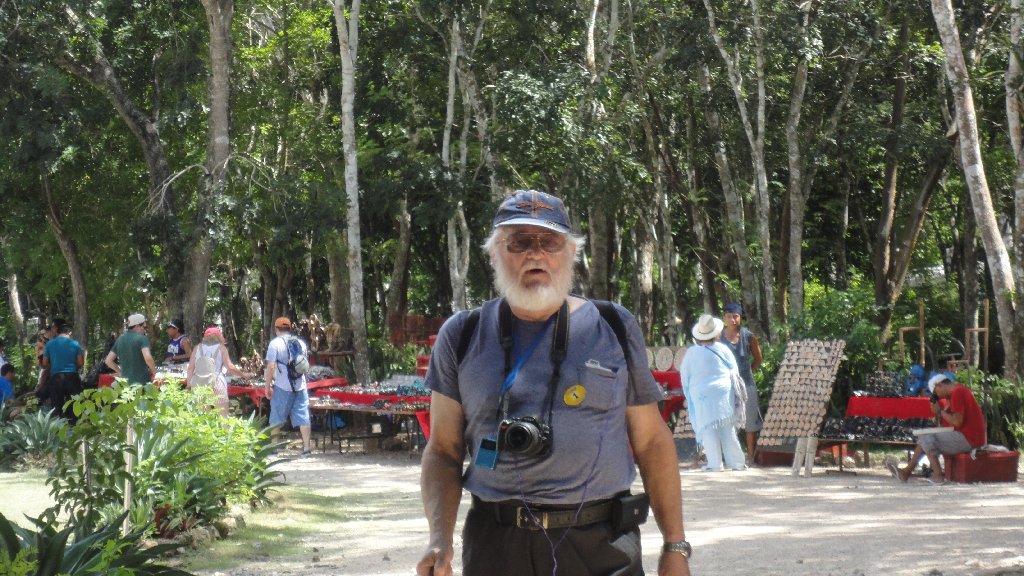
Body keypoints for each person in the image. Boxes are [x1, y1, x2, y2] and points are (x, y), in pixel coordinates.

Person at [417, 190, 690, 576]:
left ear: (571, 253)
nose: (536, 253)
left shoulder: (612, 325)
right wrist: (439, 539)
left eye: (550, 242)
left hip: (603, 545)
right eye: (520, 242)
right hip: (497, 545)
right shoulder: (462, 334)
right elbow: (443, 450)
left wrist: (675, 545)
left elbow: (650, 440)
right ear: (494, 253)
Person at [679, 313, 747, 472]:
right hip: (723, 391)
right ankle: (736, 462)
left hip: (701, 394)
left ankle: (715, 464)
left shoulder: (692, 353)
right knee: (727, 427)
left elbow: (685, 376)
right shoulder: (723, 349)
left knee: (708, 427)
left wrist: (689, 394)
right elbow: (734, 371)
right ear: (715, 333)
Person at [889, 373, 986, 484]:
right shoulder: (957, 391)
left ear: (939, 385)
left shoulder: (957, 393)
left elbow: (957, 422)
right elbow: (949, 423)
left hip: (969, 439)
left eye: (936, 394)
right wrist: (940, 411)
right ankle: (906, 472)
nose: (939, 397)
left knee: (926, 439)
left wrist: (940, 411)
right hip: (968, 436)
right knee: (925, 439)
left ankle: (938, 475)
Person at [720, 302, 763, 466]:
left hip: (746, 382)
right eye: (729, 316)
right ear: (724, 318)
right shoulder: (718, 337)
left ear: (741, 318)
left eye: (736, 316)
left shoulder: (749, 336)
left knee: (750, 420)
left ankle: (751, 457)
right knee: (727, 420)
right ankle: (729, 457)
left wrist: (747, 371)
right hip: (725, 384)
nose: (732, 320)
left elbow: (758, 359)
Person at [264, 317, 312, 456]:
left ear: (276, 329)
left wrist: (267, 386)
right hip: (300, 385)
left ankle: (274, 449)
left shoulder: (274, 344)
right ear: (290, 328)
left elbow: (271, 366)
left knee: (276, 417)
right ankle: (307, 448)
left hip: (282, 385)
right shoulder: (300, 343)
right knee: (303, 415)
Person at [186, 326, 253, 415]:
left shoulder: (197, 348)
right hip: (216, 383)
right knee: (223, 416)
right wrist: (244, 375)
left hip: (199, 385)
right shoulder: (221, 348)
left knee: (202, 418)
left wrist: (189, 385)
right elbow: (230, 367)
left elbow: (190, 368)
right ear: (218, 336)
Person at [41, 322, 85, 421]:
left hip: (56, 377)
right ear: (69, 332)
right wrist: (73, 367)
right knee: (74, 406)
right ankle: (74, 428)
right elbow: (81, 363)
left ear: (58, 332)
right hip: (72, 377)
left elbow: (44, 363)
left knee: (56, 407)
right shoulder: (74, 344)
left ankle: (58, 430)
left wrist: (53, 367)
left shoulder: (50, 344)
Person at [104, 313, 158, 385]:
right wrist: (154, 372)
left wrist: (120, 372)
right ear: (138, 326)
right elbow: (148, 358)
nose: (144, 330)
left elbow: (108, 361)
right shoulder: (142, 339)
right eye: (144, 327)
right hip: (142, 383)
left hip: (125, 384)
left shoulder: (120, 339)